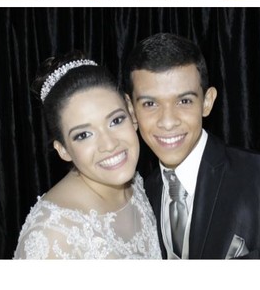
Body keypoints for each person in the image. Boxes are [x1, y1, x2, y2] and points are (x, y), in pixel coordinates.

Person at [125, 33, 260, 258]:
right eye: (150, 104)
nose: (168, 121)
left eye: (184, 101)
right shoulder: (144, 195)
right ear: (132, 110)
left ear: (207, 102)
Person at [14, 53, 159, 259]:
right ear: (63, 150)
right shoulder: (52, 234)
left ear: (131, 113)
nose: (109, 144)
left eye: (116, 121)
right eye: (83, 135)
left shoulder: (138, 183)